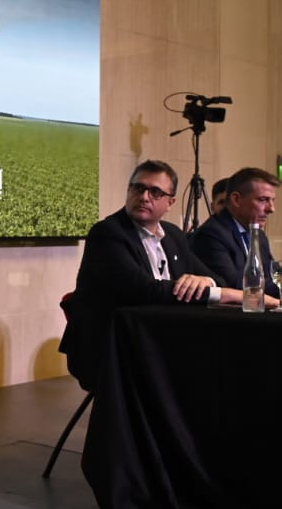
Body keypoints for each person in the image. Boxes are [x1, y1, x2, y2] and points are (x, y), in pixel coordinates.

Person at [59, 160, 242, 391]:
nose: (144, 197)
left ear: (170, 202)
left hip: (159, 340)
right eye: (138, 188)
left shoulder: (174, 236)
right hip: (113, 346)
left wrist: (207, 281)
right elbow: (146, 290)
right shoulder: (107, 234)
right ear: (129, 191)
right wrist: (224, 294)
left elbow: (217, 279)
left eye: (155, 192)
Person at [192, 167, 282, 300]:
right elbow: (234, 283)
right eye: (263, 200)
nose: (271, 209)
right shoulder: (211, 234)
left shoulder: (258, 233)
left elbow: (270, 274)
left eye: (272, 200)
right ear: (236, 200)